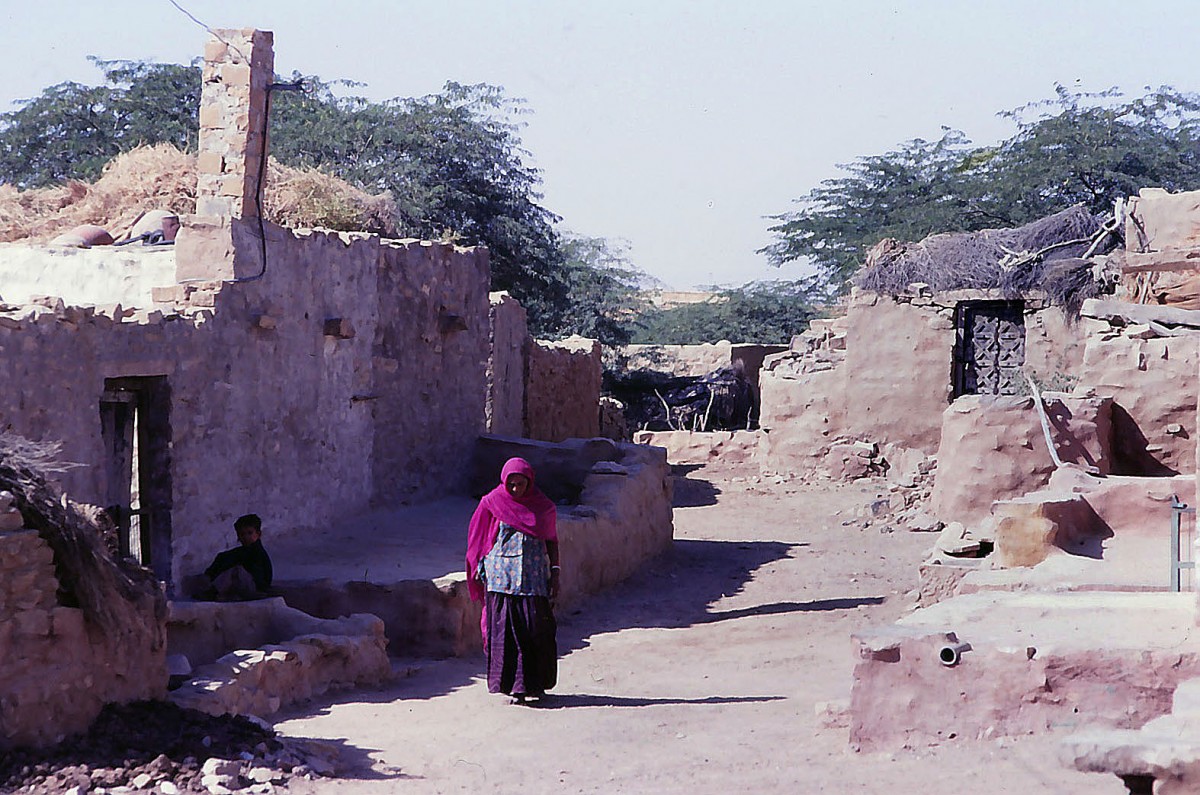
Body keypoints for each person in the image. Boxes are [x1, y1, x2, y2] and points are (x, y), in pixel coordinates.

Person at [466, 457, 560, 704]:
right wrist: (477, 566)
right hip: (501, 580)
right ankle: (514, 688)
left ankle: (535, 685)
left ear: (530, 482)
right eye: (513, 485)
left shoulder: (543, 507)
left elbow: (551, 539)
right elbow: (479, 536)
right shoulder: (492, 503)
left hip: (533, 579)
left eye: (521, 484)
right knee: (507, 635)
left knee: (536, 631)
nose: (517, 490)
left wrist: (556, 571)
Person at [203, 513, 273, 600]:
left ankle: (213, 592)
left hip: (257, 589)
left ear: (258, 534)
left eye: (249, 533)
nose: (246, 537)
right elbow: (224, 557)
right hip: (247, 587)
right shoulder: (243, 551)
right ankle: (208, 587)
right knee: (224, 559)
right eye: (242, 534)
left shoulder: (257, 552)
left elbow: (259, 577)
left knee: (236, 571)